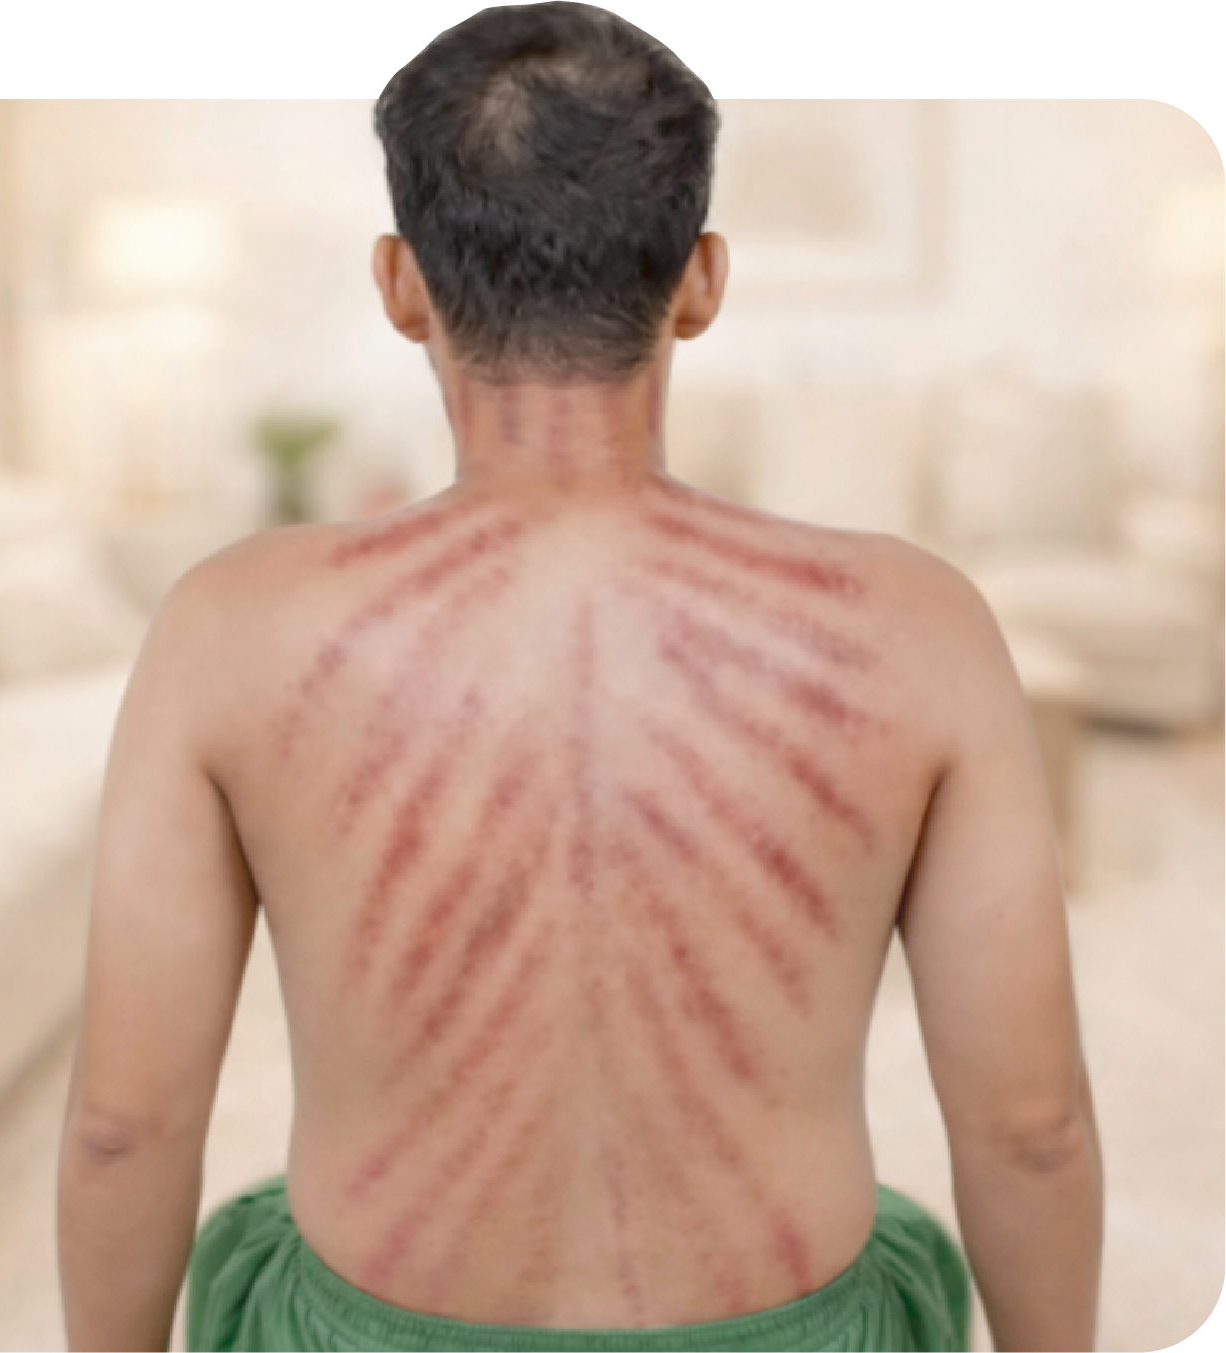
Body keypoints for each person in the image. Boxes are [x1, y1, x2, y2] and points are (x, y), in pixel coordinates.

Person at [56, 7, 1103, 1352]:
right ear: (703, 280)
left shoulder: (226, 628)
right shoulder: (921, 628)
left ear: (401, 283)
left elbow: (121, 1126)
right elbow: (1032, 1128)